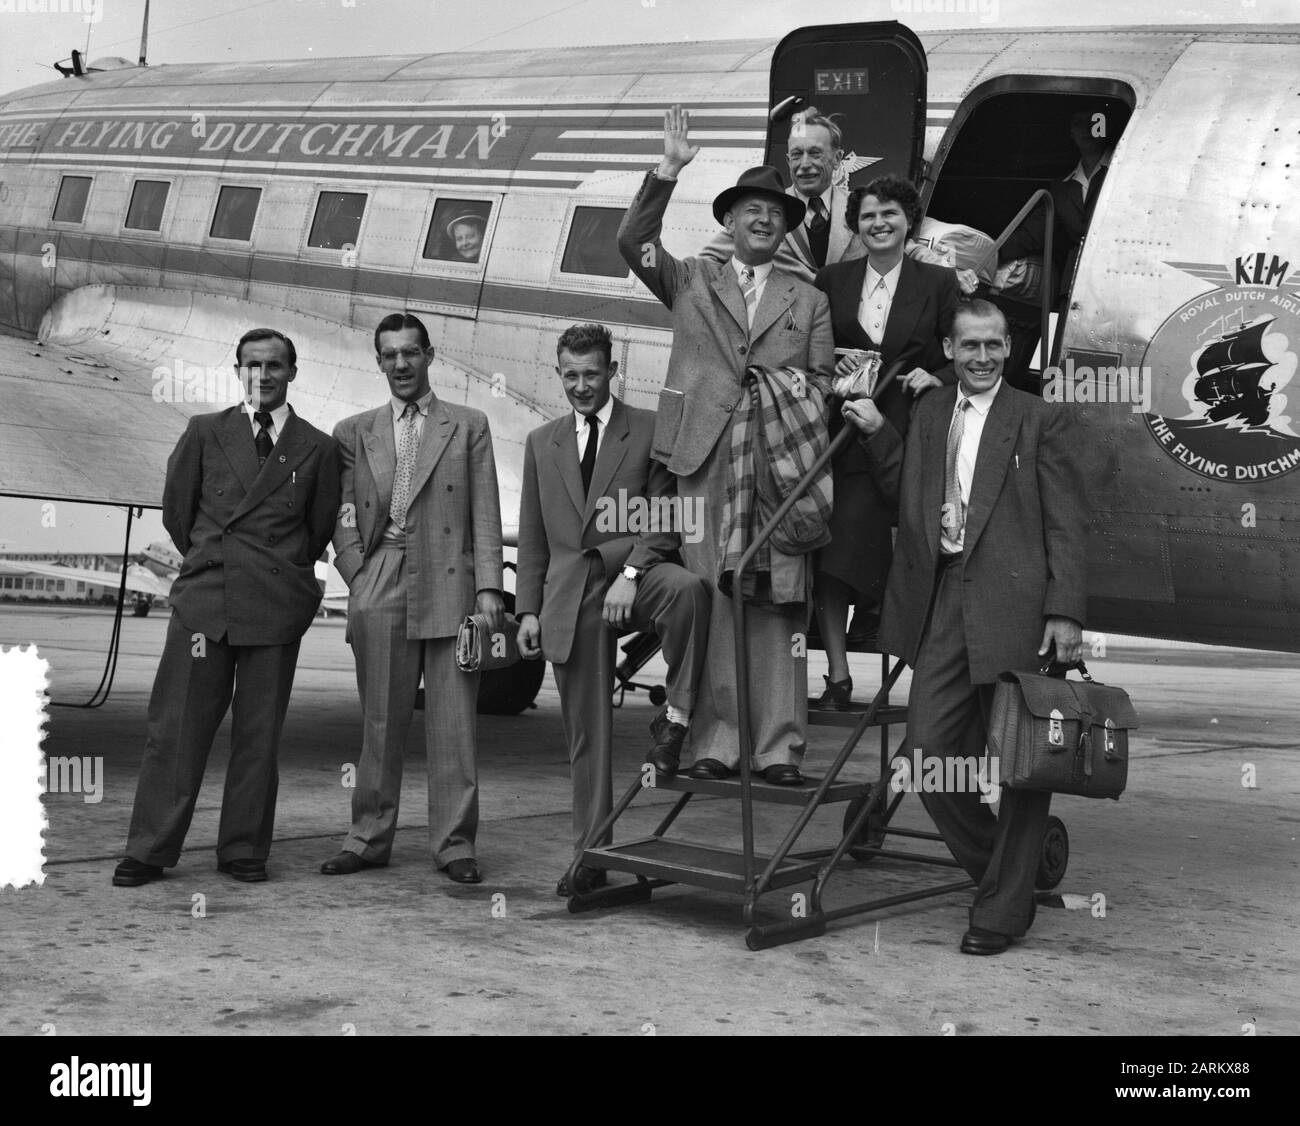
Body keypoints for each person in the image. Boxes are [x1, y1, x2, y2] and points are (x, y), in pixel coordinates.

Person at [843, 299, 1088, 954]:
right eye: (970, 345)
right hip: (945, 600)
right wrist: (875, 431)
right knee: (927, 754)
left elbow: (1066, 521)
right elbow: (909, 492)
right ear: (948, 351)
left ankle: (1001, 912)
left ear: (1010, 349)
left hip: (1018, 607)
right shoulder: (929, 412)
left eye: (995, 345)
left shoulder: (1039, 419)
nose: (983, 357)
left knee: (1021, 766)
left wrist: (1066, 611)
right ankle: (1008, 873)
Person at [618, 104, 834, 786]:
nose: (763, 219)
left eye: (775, 212)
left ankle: (779, 748)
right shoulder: (691, 282)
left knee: (778, 602)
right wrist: (668, 169)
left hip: (777, 469)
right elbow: (633, 242)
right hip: (702, 462)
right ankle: (716, 740)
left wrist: (781, 393)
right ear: (730, 222)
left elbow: (824, 382)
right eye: (750, 210)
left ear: (785, 226)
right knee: (712, 593)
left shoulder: (809, 299)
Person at [113, 328, 341, 887]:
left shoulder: (317, 447)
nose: (262, 377)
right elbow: (177, 513)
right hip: (205, 605)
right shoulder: (204, 432)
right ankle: (150, 847)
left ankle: (243, 849)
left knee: (258, 737)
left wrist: (281, 577)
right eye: (252, 366)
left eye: (274, 366)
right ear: (238, 370)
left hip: (274, 609)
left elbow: (316, 532)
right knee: (176, 730)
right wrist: (213, 565)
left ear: (292, 372)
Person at [515, 323, 711, 895]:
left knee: (688, 591)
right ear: (559, 374)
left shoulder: (648, 430)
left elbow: (667, 510)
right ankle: (590, 856)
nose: (581, 385)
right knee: (588, 738)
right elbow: (532, 538)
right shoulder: (540, 441)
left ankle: (675, 715)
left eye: (592, 374)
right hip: (569, 596)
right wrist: (528, 610)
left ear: (612, 371)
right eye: (571, 375)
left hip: (633, 574)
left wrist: (630, 571)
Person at [319, 312, 504, 885]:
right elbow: (342, 510)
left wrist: (490, 587)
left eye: (411, 353)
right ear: (378, 361)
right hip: (382, 577)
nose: (401, 364)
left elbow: (485, 512)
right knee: (380, 722)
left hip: (451, 581)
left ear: (429, 355)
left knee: (453, 727)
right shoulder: (354, 430)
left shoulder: (468, 424)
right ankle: (367, 838)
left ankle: (454, 845)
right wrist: (357, 571)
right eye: (389, 355)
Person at [811, 175, 960, 710]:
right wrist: (833, 368)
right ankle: (838, 674)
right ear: (857, 223)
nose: (879, 223)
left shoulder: (938, 283)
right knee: (833, 552)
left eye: (890, 214)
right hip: (844, 433)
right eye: (869, 215)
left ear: (908, 221)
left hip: (905, 434)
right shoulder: (832, 279)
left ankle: (910, 667)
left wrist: (937, 378)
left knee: (894, 548)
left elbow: (960, 354)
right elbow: (812, 349)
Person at [995, 106, 1118, 389]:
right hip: (1072, 286)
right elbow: (1032, 233)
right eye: (1078, 123)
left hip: (1116, 279)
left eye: (1094, 123)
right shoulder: (1061, 188)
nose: (1087, 128)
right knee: (1068, 361)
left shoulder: (1121, 172)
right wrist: (991, 255)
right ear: (1071, 133)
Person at [700, 104, 864, 283]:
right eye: (796, 155)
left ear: (837, 158)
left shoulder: (863, 208)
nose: (805, 163)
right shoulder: (768, 210)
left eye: (815, 153)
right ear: (787, 160)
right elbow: (707, 262)